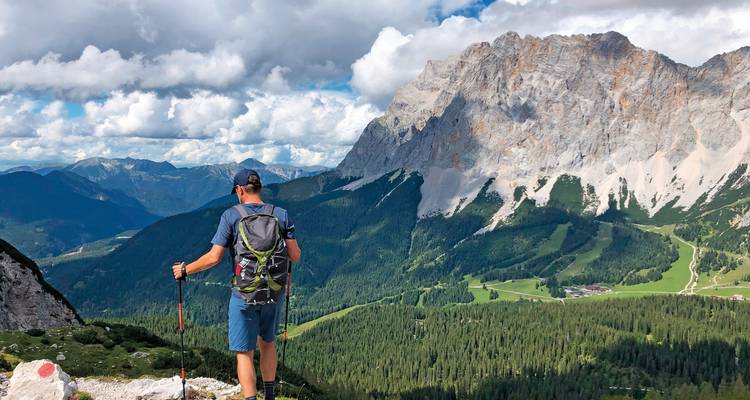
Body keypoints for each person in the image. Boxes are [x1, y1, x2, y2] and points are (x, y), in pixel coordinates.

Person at [172, 168, 301, 400]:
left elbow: (214, 257)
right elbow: (295, 255)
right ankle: (270, 396)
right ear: (259, 188)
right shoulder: (281, 214)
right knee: (268, 343)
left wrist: (184, 269)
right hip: (273, 292)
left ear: (240, 190)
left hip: (243, 295)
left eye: (236, 192)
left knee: (244, 352)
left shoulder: (231, 216)